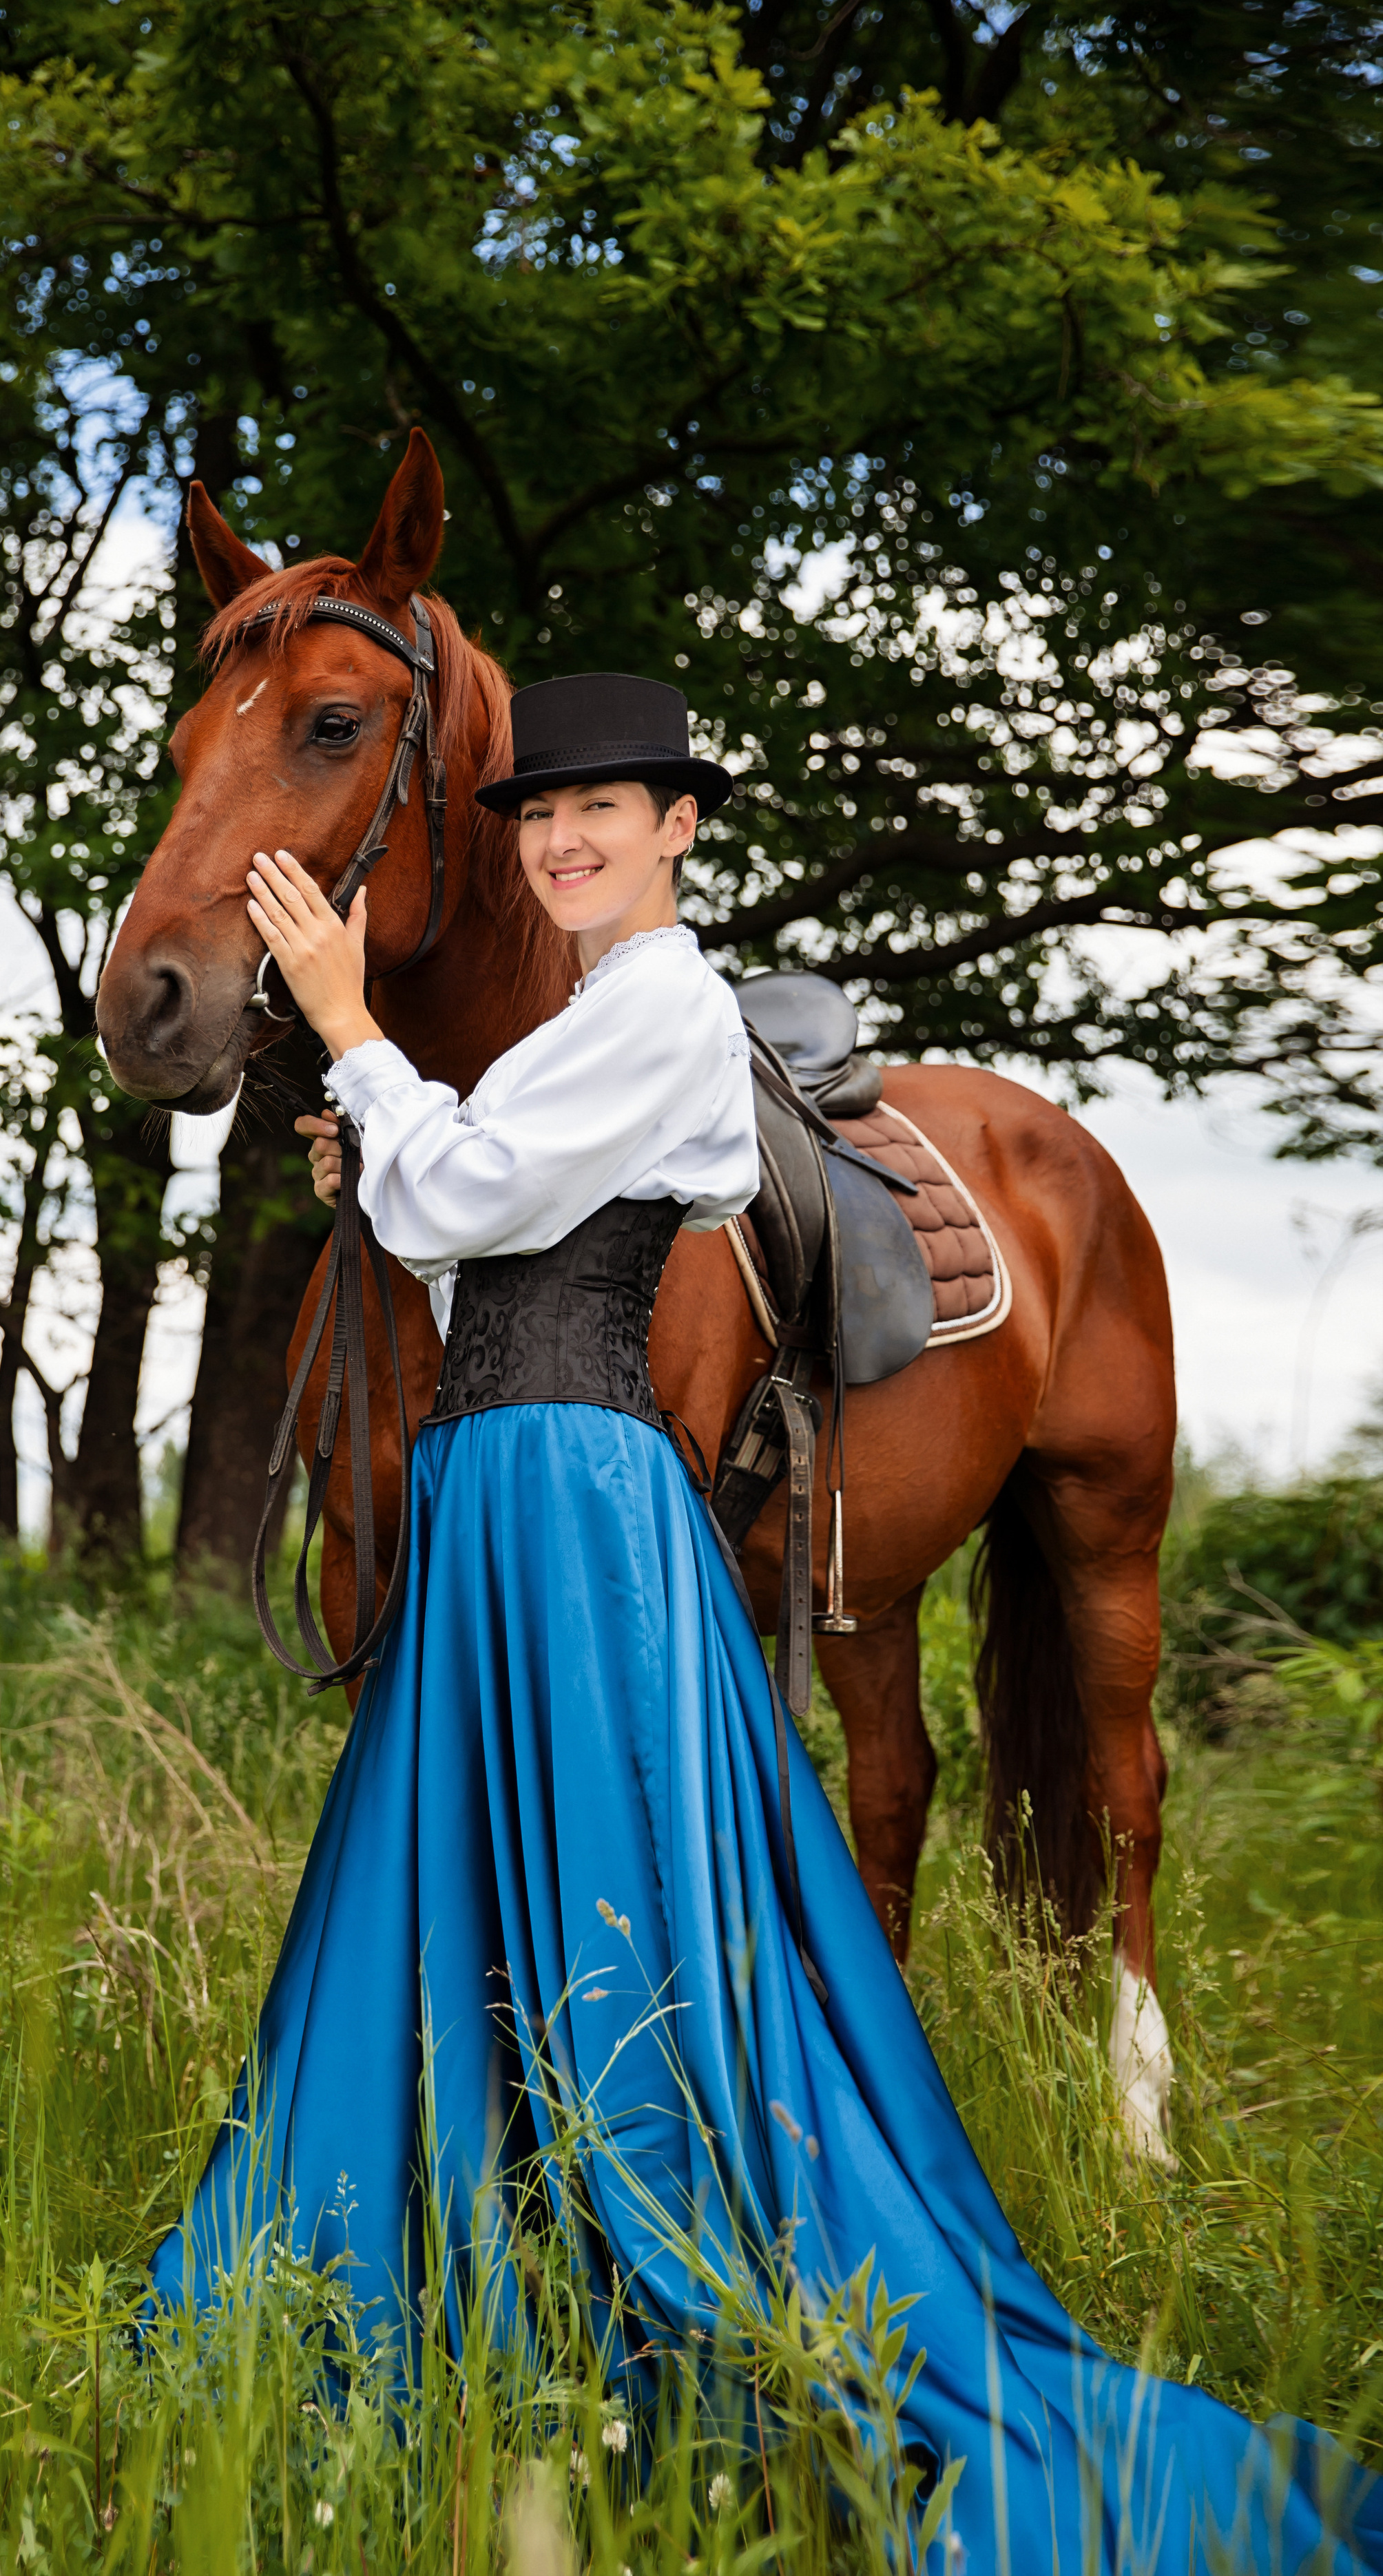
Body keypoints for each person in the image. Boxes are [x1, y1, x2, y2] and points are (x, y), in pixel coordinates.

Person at [149, 672, 1381, 2572]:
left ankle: (663, 2231)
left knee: (608, 1856)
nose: (563, 843)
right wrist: (379, 1137)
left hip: (575, 1485)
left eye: (604, 812)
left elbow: (468, 1193)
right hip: (505, 1481)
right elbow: (466, 1229)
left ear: (679, 829)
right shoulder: (574, 1026)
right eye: (538, 818)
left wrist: (351, 1029)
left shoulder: (666, 1007)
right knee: (479, 1865)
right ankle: (496, 2209)